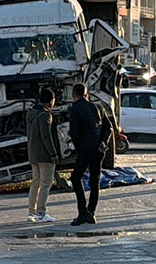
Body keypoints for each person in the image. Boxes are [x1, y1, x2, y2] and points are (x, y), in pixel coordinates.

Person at [69, 83, 113, 226]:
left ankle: (83, 211)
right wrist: (104, 142)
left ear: (73, 94)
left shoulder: (75, 109)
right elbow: (109, 127)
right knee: (95, 179)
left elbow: (74, 133)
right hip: (99, 148)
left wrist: (78, 148)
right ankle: (91, 210)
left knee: (76, 178)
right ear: (86, 94)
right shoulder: (98, 107)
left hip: (85, 148)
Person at [26, 89, 59, 223]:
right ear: (51, 100)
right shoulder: (45, 115)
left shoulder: (31, 112)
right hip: (45, 155)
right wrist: (53, 154)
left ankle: (31, 211)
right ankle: (41, 212)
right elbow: (47, 136)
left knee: (35, 183)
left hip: (33, 153)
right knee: (46, 183)